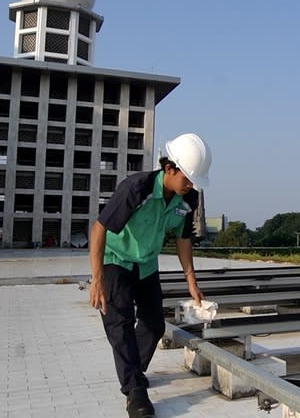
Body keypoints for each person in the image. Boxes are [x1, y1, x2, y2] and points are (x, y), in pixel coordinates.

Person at [89, 132, 211, 418]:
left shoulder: (187, 198)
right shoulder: (137, 189)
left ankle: (133, 371)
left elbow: (183, 238)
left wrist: (191, 281)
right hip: (115, 260)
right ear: (169, 168)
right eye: (188, 178)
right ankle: (134, 392)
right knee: (119, 323)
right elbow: (99, 229)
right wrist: (97, 280)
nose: (191, 185)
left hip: (146, 264)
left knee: (155, 324)